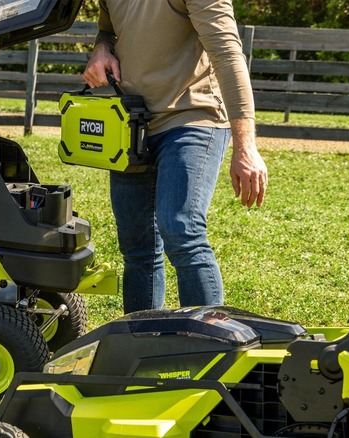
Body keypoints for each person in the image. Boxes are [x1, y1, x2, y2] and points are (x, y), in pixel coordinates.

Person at [82, 0, 268, 313]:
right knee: (137, 248)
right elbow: (107, 31)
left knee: (181, 228)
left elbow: (227, 55)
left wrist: (245, 147)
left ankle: (210, 347)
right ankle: (142, 344)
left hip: (193, 117)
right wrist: (102, 49)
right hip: (133, 122)